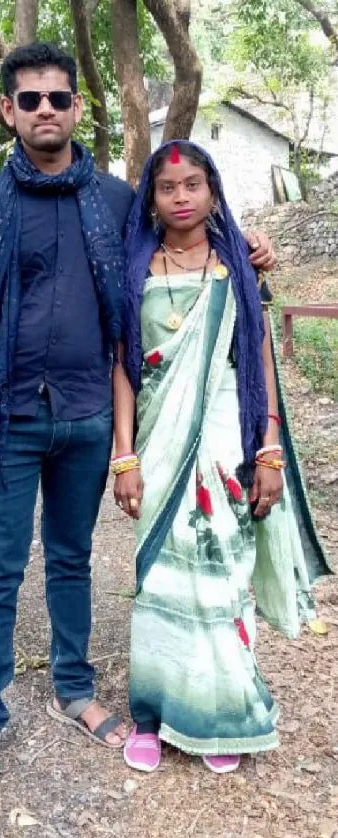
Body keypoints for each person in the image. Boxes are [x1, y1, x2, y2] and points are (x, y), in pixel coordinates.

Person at [0, 42, 276, 792]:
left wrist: (249, 247)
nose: (46, 111)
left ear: (77, 106)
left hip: (91, 416)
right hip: (4, 416)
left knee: (71, 559)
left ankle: (74, 691)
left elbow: (187, 242)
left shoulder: (118, 203)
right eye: (29, 100)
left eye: (58, 98)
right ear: (8, 111)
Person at [112, 140, 329, 774]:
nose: (181, 197)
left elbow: (256, 357)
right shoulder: (136, 267)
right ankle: (150, 711)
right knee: (160, 578)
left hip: (226, 438)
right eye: (167, 187)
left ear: (213, 192)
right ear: (151, 198)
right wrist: (124, 457)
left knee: (223, 573)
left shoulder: (238, 262)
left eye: (194, 185)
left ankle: (225, 709)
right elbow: (123, 367)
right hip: (159, 440)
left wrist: (268, 449)